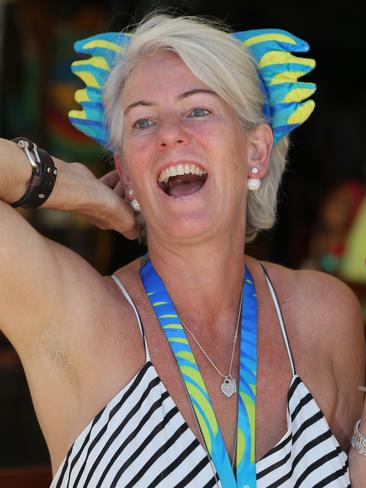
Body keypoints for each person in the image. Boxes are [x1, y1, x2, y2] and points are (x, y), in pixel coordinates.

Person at [0, 13, 365, 488]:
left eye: (198, 111)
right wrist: (67, 184)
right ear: (126, 171)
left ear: (255, 151)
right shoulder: (75, 314)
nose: (170, 133)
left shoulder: (325, 314)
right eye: (144, 121)